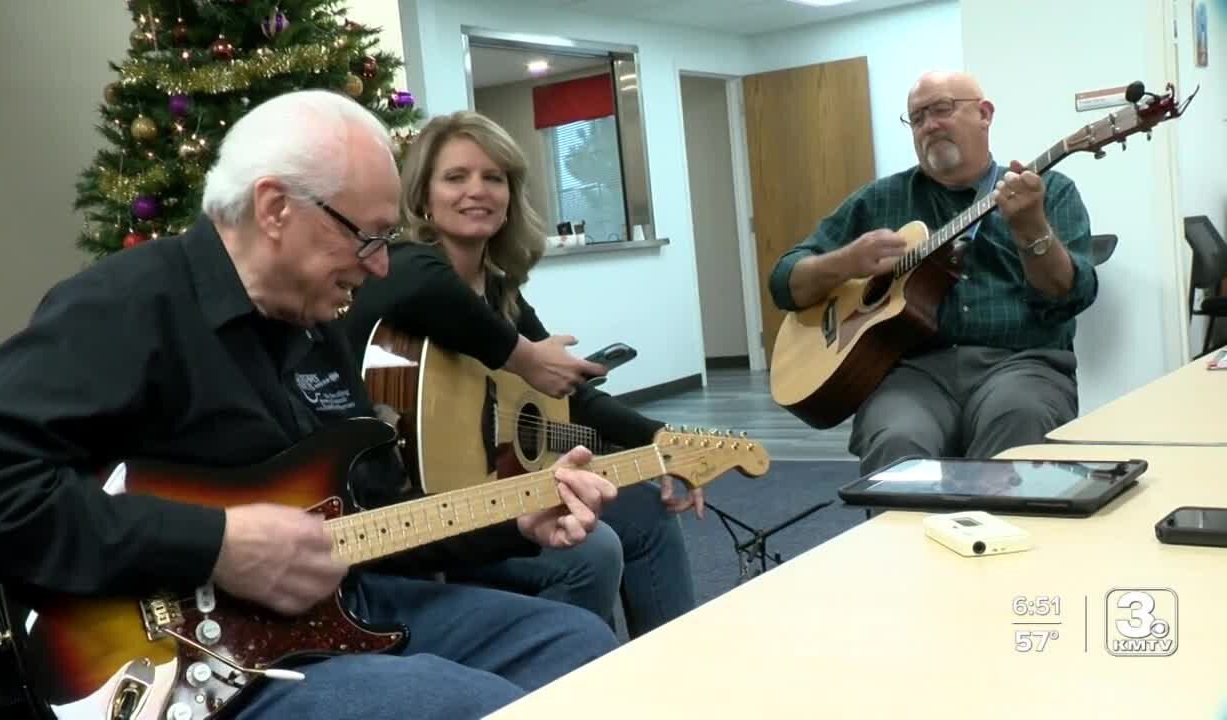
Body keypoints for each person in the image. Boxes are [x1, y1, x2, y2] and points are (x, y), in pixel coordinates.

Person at [0, 90, 620, 720]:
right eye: (369, 238)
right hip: (195, 662)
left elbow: (366, 523)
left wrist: (513, 519)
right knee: (462, 703)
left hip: (341, 610)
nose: (381, 267)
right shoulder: (126, 307)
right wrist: (213, 545)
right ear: (274, 209)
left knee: (577, 646)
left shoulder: (315, 322)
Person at [338, 110, 702, 639]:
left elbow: (566, 393)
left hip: (494, 480)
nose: (477, 190)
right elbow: (423, 286)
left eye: (494, 177)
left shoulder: (502, 291)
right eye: (455, 177)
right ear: (422, 195)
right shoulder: (401, 265)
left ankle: (673, 672)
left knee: (645, 510)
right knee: (593, 550)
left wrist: (663, 440)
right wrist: (524, 356)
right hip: (418, 513)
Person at [769, 71, 1099, 477]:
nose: (930, 125)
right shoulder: (880, 199)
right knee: (896, 441)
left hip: (1020, 364)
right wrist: (845, 262)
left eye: (942, 109)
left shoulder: (1050, 190)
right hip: (911, 373)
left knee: (1018, 423)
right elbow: (784, 282)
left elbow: (1070, 296)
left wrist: (1032, 228)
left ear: (984, 114)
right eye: (918, 117)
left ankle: (1001, 539)